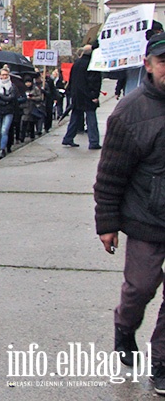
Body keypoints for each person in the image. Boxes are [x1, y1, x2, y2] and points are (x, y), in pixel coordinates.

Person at [94, 33, 165, 392]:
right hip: (146, 218)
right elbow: (110, 174)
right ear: (149, 66)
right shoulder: (130, 112)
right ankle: (125, 327)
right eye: (164, 62)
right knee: (141, 287)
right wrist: (107, 223)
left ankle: (162, 362)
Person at [62, 44, 103, 150]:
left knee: (75, 118)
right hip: (88, 96)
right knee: (91, 119)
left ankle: (68, 138)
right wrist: (95, 95)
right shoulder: (92, 64)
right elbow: (94, 81)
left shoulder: (76, 63)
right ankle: (93, 142)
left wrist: (70, 92)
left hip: (77, 96)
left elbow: (71, 80)